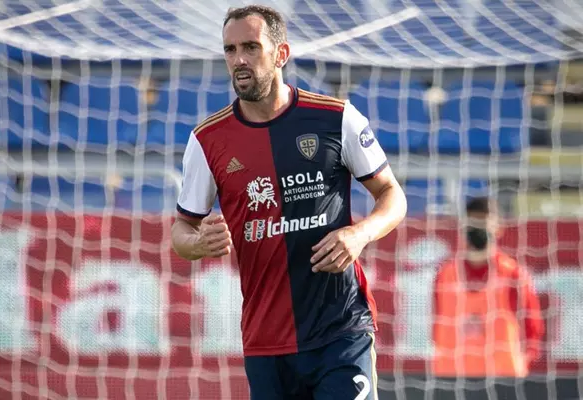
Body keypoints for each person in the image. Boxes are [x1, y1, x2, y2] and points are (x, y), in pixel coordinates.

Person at [170, 4, 407, 399]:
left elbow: (392, 195)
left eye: (251, 47)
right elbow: (181, 230)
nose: (239, 60)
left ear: (281, 53)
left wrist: (359, 234)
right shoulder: (207, 141)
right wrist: (197, 243)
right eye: (230, 50)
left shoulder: (337, 118)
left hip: (340, 330)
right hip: (267, 343)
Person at [432, 196, 544, 378]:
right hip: (451, 378)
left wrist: (522, 362)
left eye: (483, 223)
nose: (477, 229)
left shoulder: (513, 275)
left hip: (503, 380)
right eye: (473, 223)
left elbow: (533, 329)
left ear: (498, 227)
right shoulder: (445, 275)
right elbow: (436, 326)